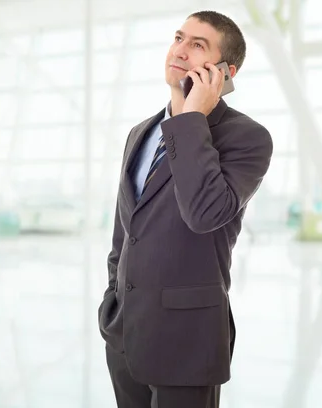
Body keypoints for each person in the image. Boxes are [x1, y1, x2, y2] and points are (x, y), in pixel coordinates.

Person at [97, 10, 273, 408]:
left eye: (198, 45)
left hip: (187, 342)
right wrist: (113, 303)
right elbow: (126, 233)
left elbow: (205, 212)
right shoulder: (140, 133)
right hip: (125, 334)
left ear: (226, 72)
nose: (180, 50)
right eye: (179, 38)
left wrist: (191, 116)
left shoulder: (248, 138)